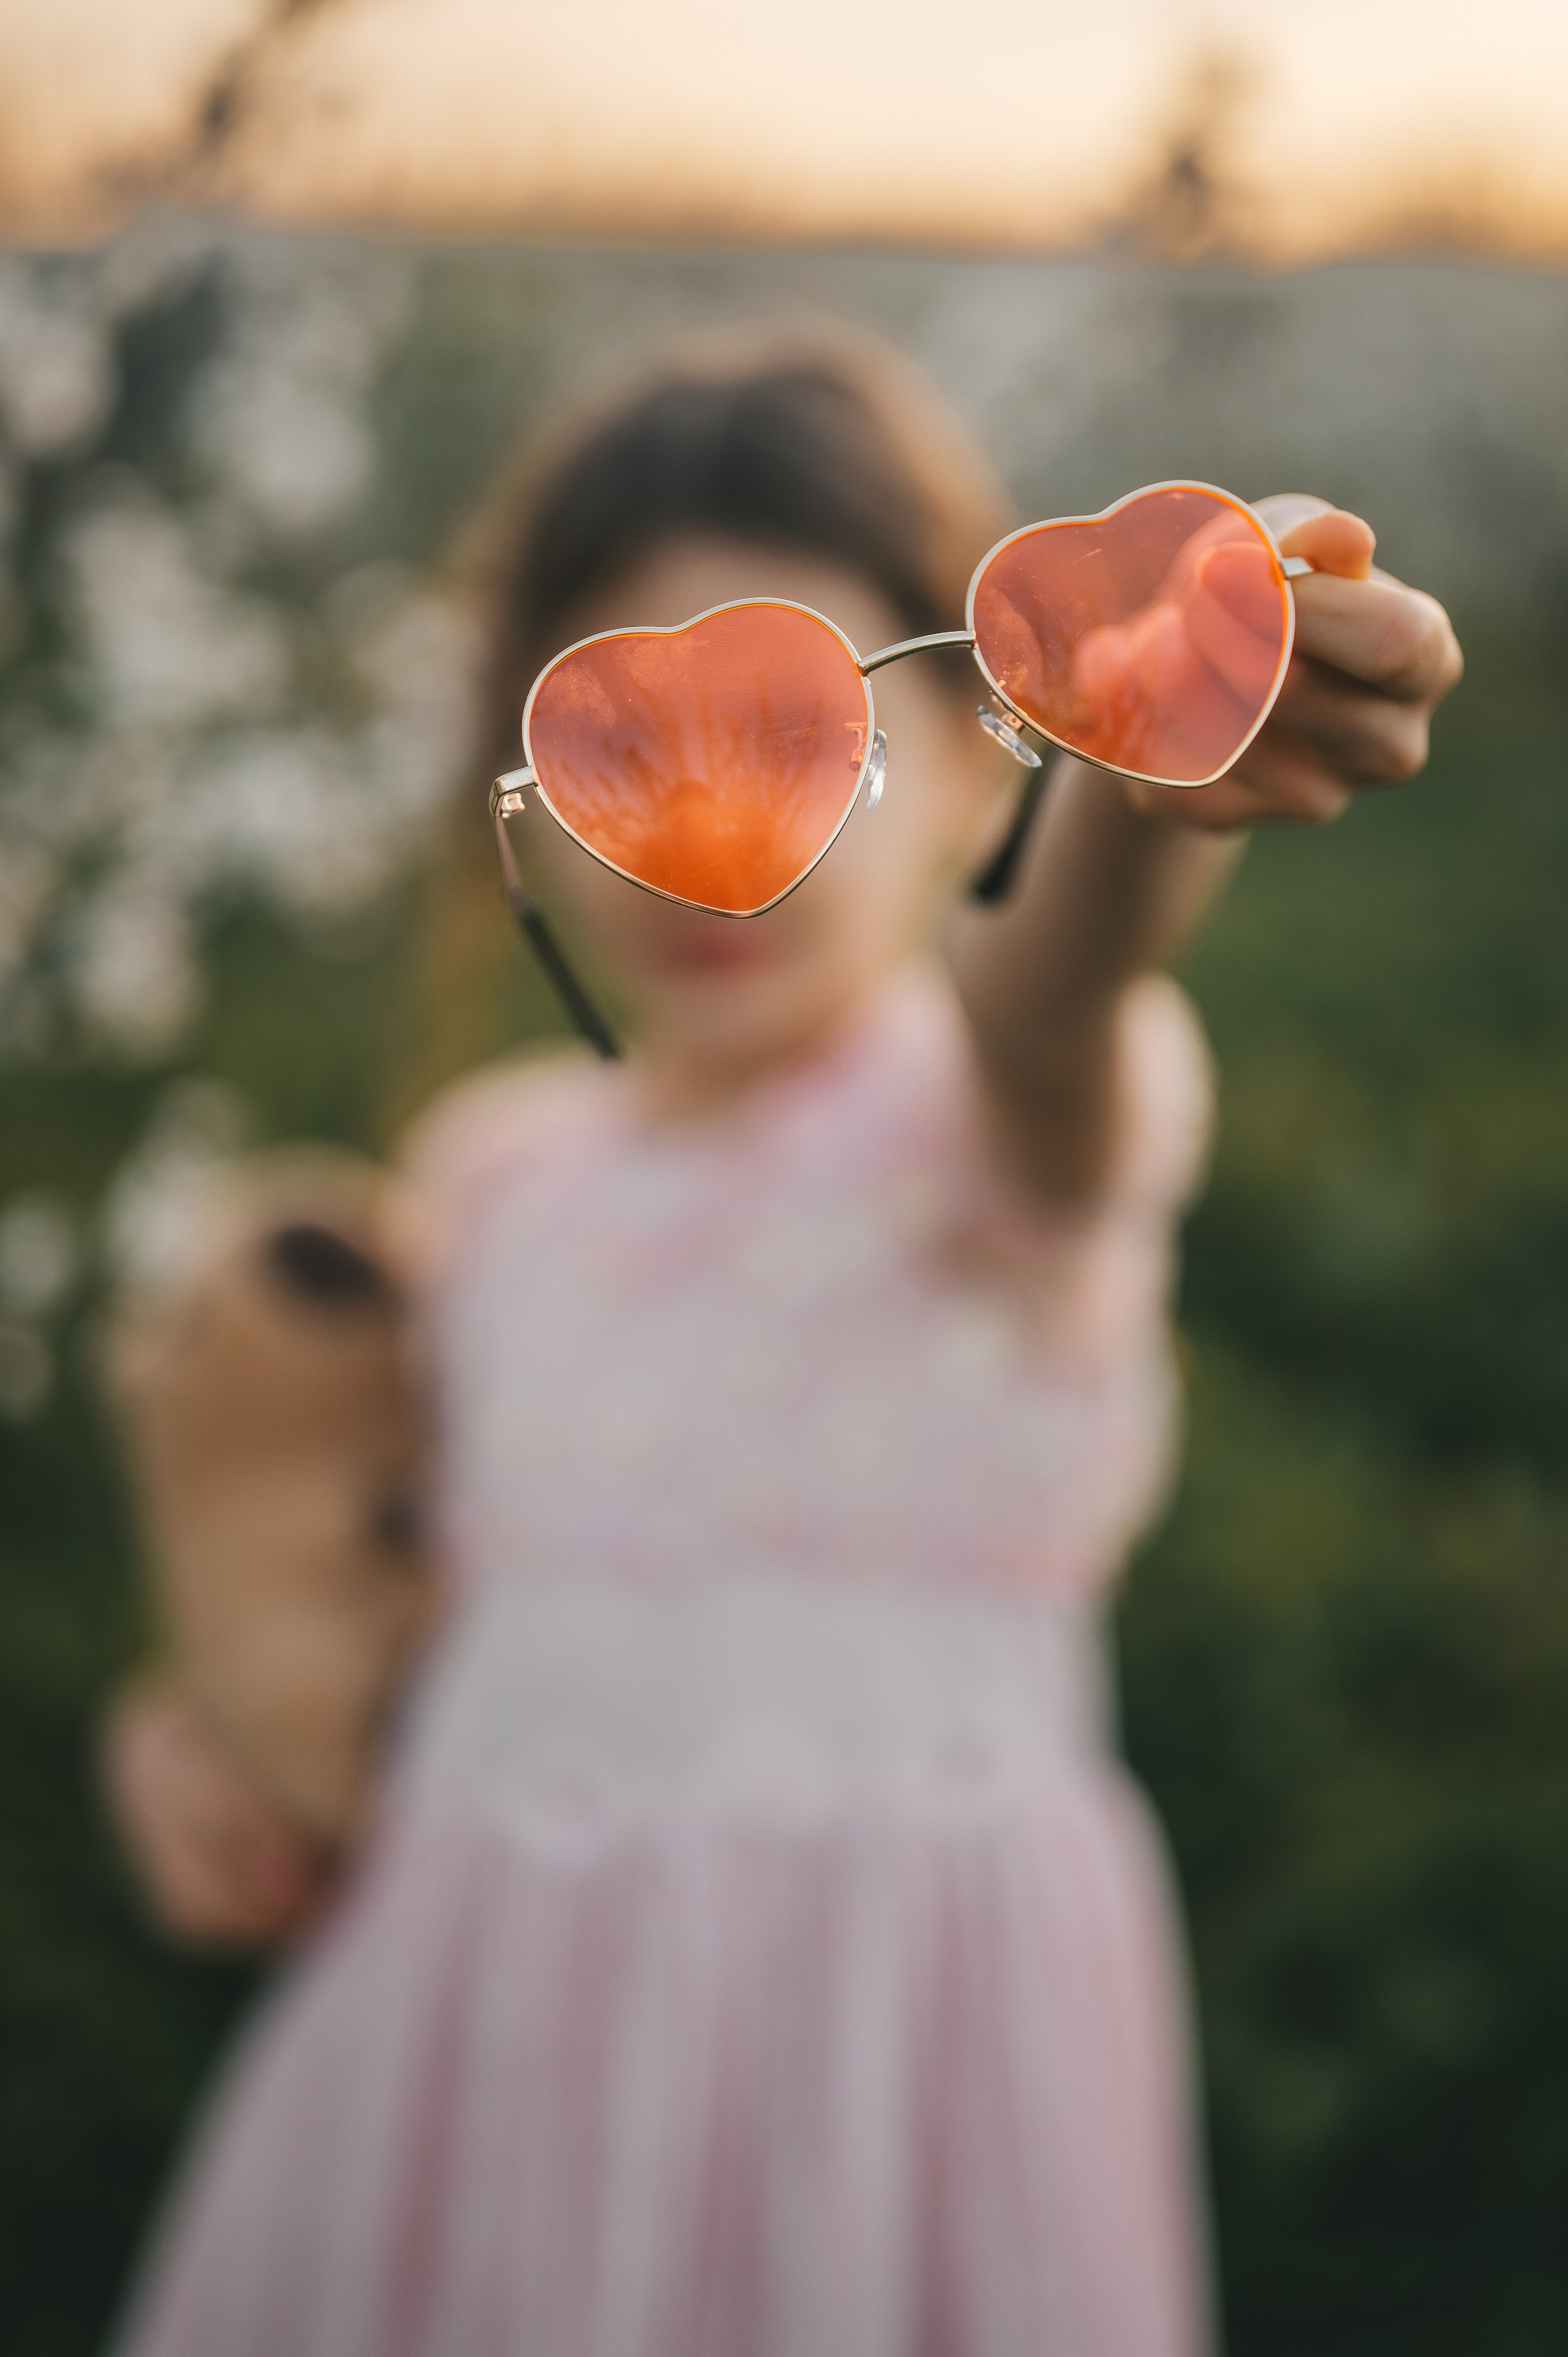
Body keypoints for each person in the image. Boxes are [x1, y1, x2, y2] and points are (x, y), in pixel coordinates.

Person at [104, 328, 1462, 2357]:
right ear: (512, 789)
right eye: (612, 744)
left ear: (986, 754)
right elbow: (363, 1599)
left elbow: (1047, 996)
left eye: (816, 728)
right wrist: (192, 1734)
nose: (701, 823)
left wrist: (1156, 766)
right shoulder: (486, 1184)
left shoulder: (986, 1140)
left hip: (898, 2102)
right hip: (468, 2091)